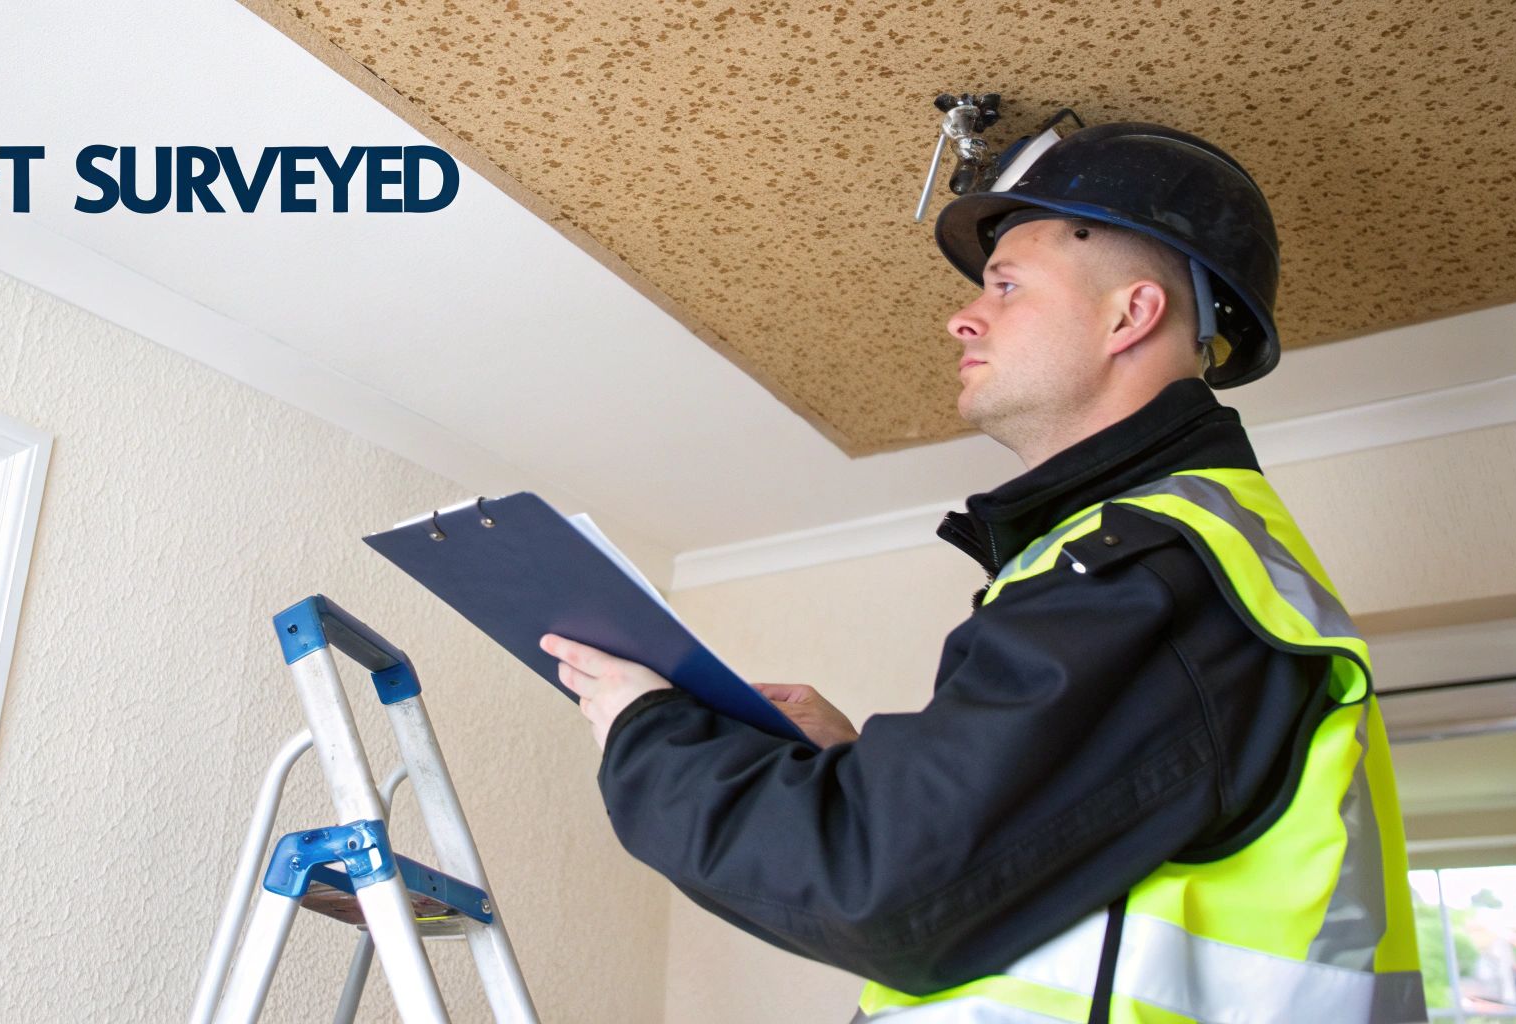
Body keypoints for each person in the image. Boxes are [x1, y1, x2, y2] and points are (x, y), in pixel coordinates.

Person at [537, 120, 1428, 1023]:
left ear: (1132, 314)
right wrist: (848, 764)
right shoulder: (1147, 561)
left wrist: (647, 733)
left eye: (1006, 286)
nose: (961, 316)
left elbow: (881, 889)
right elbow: (1048, 862)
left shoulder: (1153, 571)